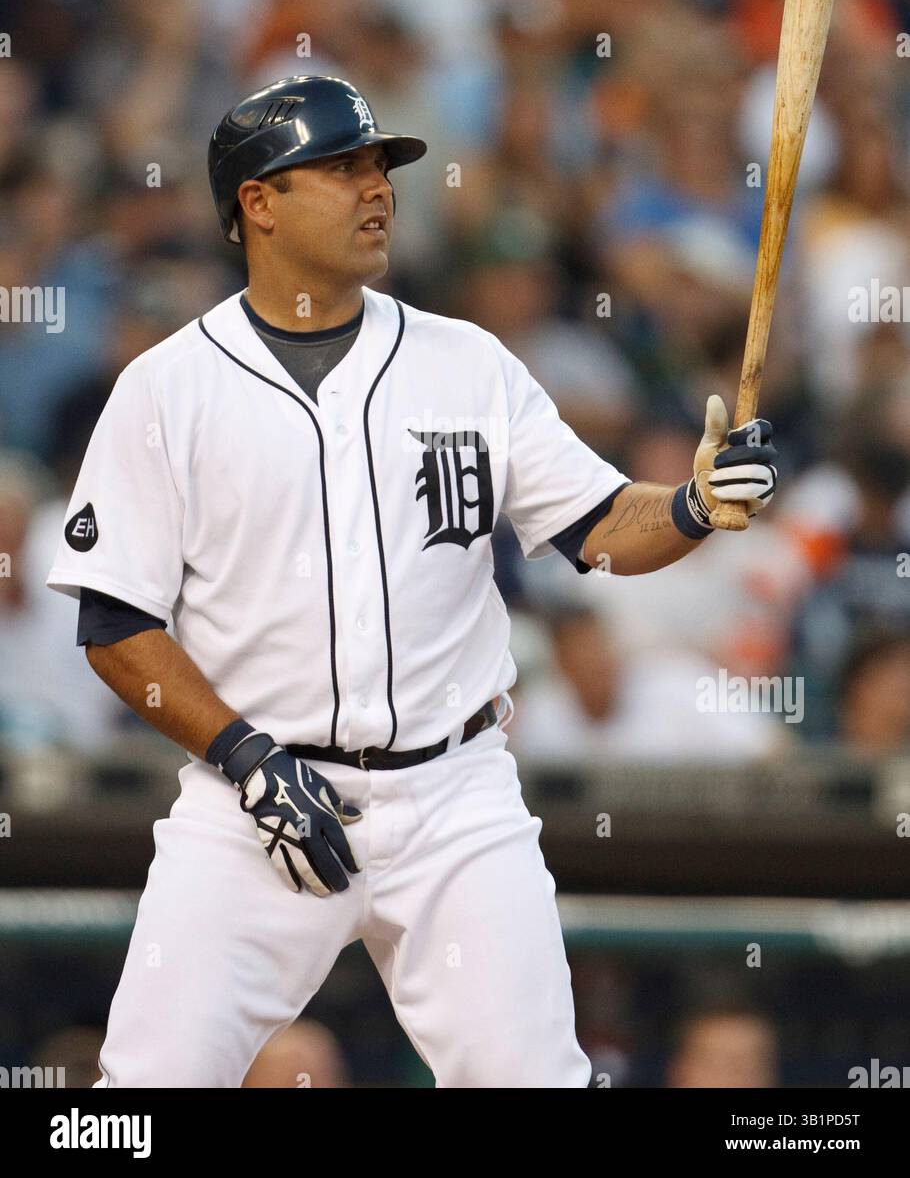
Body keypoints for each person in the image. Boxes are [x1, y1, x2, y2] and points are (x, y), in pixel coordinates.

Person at [46, 74, 779, 1089]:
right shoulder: (169, 388)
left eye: (380, 168)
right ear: (257, 201)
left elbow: (602, 527)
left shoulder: (465, 364)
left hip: (454, 793)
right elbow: (116, 623)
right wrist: (244, 755)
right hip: (249, 798)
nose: (377, 189)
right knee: (141, 1095)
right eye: (341, 168)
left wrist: (694, 504)